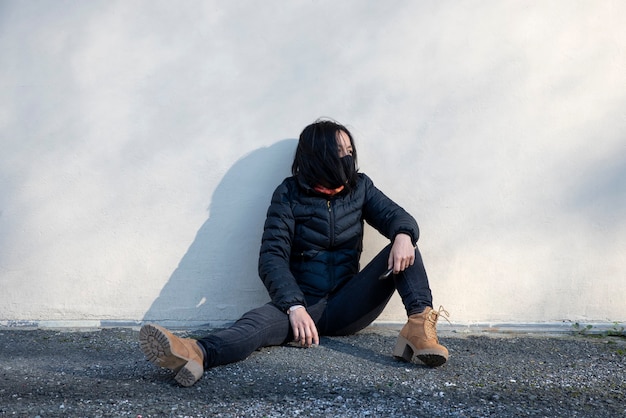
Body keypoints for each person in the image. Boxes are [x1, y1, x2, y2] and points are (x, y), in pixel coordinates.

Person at [140, 119, 449, 387]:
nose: (348, 157)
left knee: (406, 244)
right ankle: (195, 354)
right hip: (302, 305)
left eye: (350, 151)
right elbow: (271, 257)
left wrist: (404, 234)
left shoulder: (361, 188)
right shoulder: (288, 194)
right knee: (254, 325)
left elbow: (397, 216)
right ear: (320, 155)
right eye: (340, 151)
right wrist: (293, 306)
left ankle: (418, 329)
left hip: (349, 304)